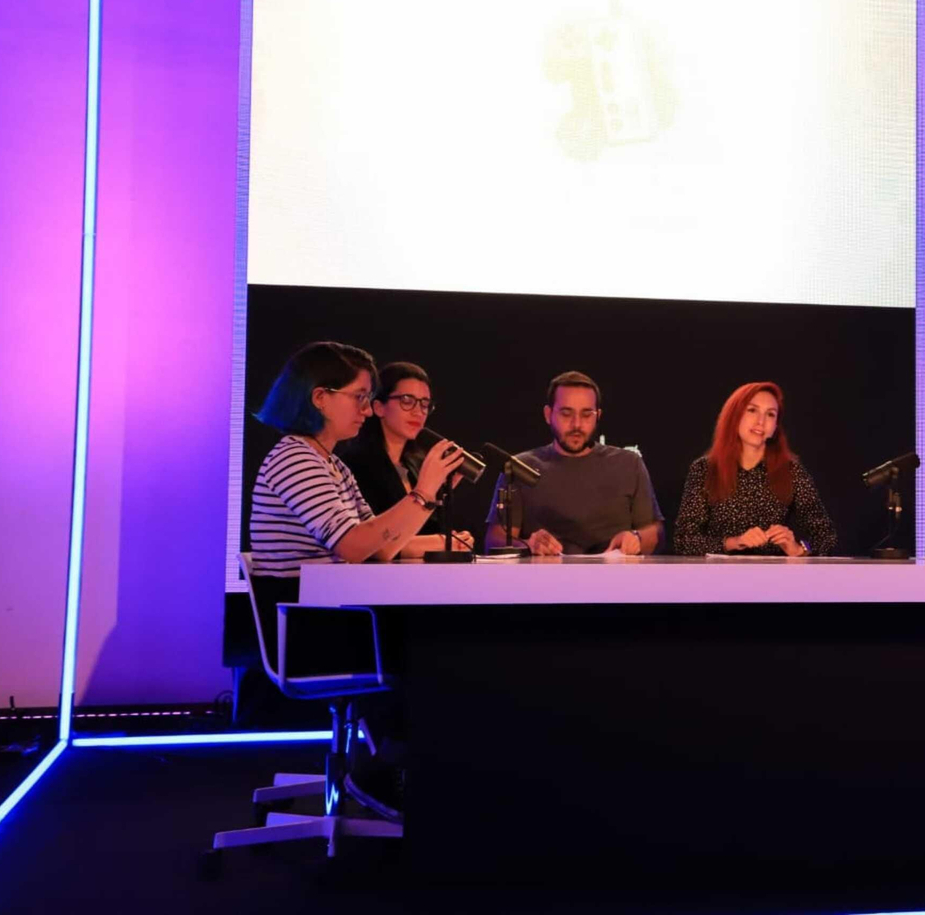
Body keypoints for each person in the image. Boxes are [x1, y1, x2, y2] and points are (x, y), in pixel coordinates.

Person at [247, 340, 467, 823]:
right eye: (360, 397)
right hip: (314, 633)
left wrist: (426, 502)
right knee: (434, 647)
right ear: (320, 397)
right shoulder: (296, 459)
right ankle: (382, 771)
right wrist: (426, 491)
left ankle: (396, 766)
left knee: (435, 638)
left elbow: (381, 545)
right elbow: (353, 546)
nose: (368, 411)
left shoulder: (330, 462)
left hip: (335, 623)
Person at [483, 371, 663, 555]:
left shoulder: (628, 463)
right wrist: (529, 545)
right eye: (566, 413)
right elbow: (494, 540)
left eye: (586, 414)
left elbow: (655, 533)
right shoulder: (519, 468)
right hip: (542, 580)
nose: (576, 424)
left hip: (614, 579)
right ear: (548, 414)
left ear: (598, 415)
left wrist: (636, 539)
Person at [673, 382, 838, 557]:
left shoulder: (791, 471)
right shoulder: (705, 469)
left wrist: (799, 549)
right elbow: (683, 540)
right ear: (734, 416)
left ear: (775, 427)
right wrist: (735, 542)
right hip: (718, 576)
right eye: (752, 410)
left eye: (770, 414)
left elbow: (827, 537)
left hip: (774, 577)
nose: (761, 421)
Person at [339, 361, 474, 550]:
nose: (418, 411)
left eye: (425, 404)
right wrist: (443, 543)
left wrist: (438, 498)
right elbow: (377, 546)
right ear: (378, 407)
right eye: (407, 401)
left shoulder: (415, 464)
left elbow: (426, 530)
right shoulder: (357, 464)